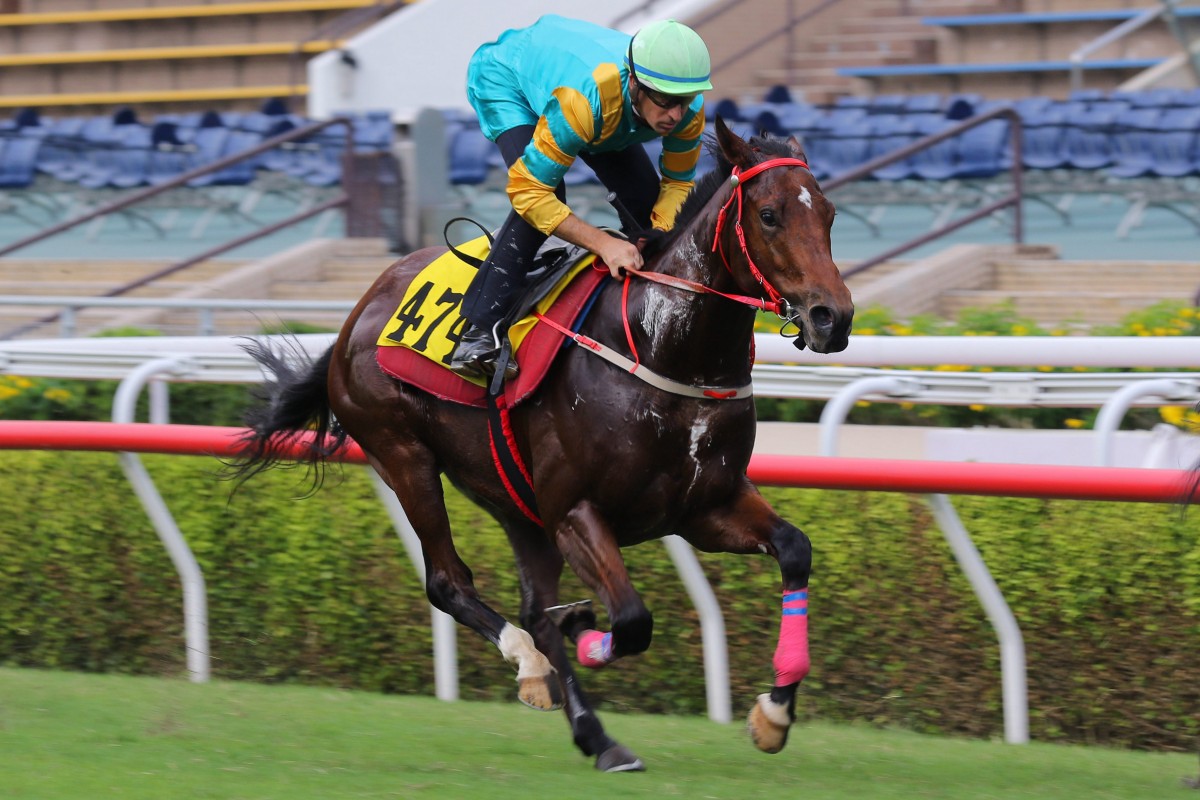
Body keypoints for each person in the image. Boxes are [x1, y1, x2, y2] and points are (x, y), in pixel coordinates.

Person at [449, 14, 713, 379]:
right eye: (666, 101)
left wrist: (657, 236)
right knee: (548, 193)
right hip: (509, 81)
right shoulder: (584, 103)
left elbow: (678, 185)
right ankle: (479, 333)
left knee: (649, 205)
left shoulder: (686, 111)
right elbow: (529, 193)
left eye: (684, 101)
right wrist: (603, 244)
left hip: (598, 104)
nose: (675, 114)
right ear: (635, 81)